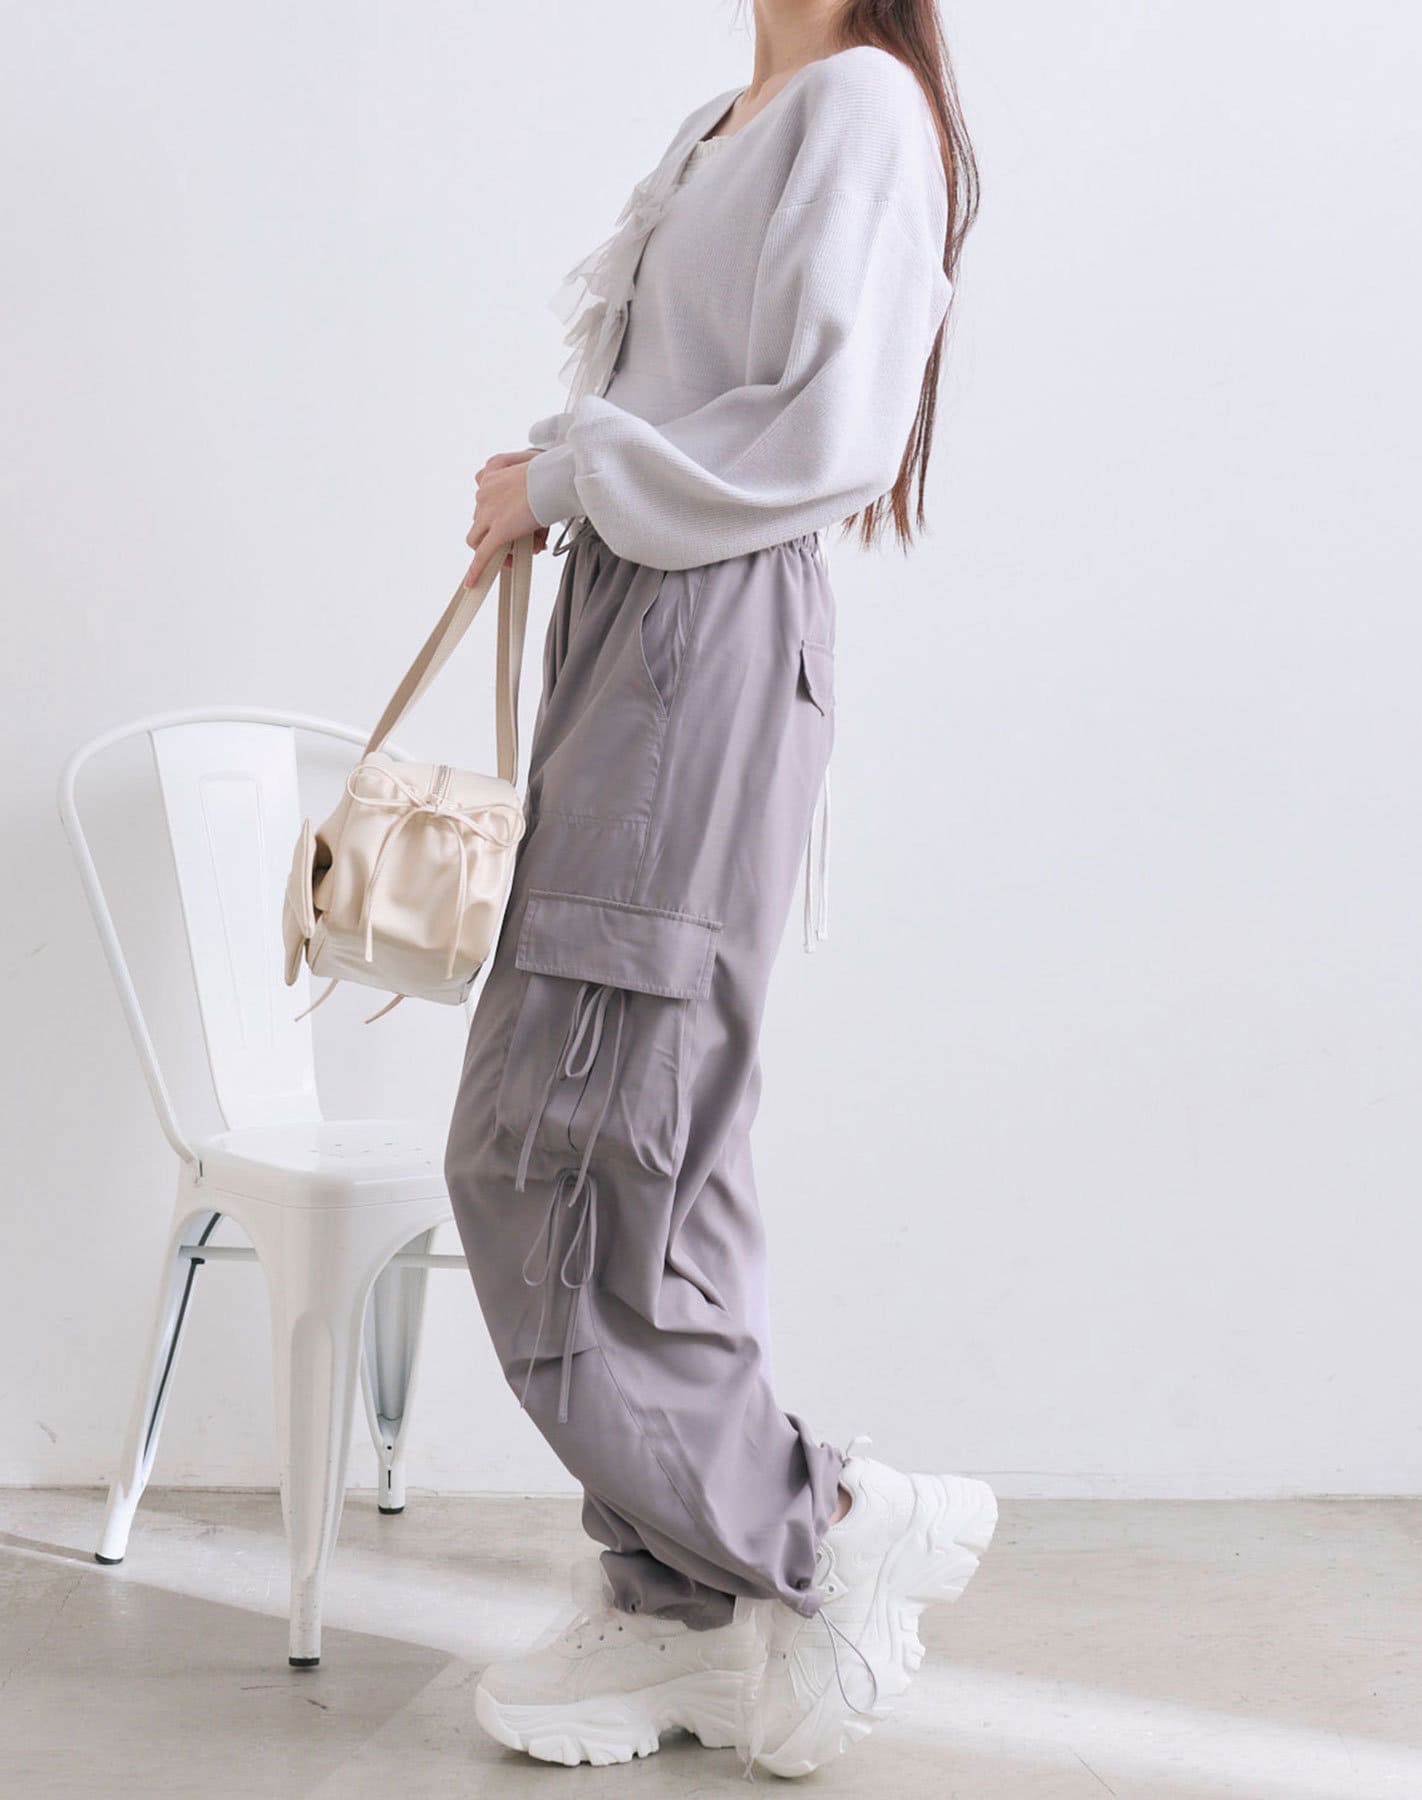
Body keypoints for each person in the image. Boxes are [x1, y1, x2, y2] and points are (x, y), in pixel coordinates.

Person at [443, 0, 992, 1777]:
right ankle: (678, 1608)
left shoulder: (860, 108)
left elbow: (830, 424)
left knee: (555, 1140)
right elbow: (686, 404)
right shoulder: (729, 117)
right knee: (651, 1154)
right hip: (641, 633)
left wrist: (572, 472)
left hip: (703, 644)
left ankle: (818, 1527)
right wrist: (562, 478)